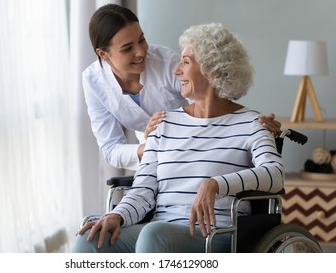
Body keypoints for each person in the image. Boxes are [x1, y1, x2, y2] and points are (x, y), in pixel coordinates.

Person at [72, 23, 284, 253]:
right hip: (158, 231)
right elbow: (143, 189)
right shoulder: (164, 124)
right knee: (91, 240)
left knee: (154, 235)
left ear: (212, 69)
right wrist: (116, 215)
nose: (176, 71)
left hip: (217, 234)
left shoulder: (252, 123)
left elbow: (275, 173)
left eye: (185, 62)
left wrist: (215, 184)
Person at [83, 3, 281, 171]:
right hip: (155, 161)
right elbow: (111, 149)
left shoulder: (166, 62)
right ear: (104, 54)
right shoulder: (93, 82)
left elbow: (209, 106)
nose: (141, 52)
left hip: (200, 153)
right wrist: (151, 146)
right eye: (127, 48)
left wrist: (251, 125)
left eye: (142, 39)